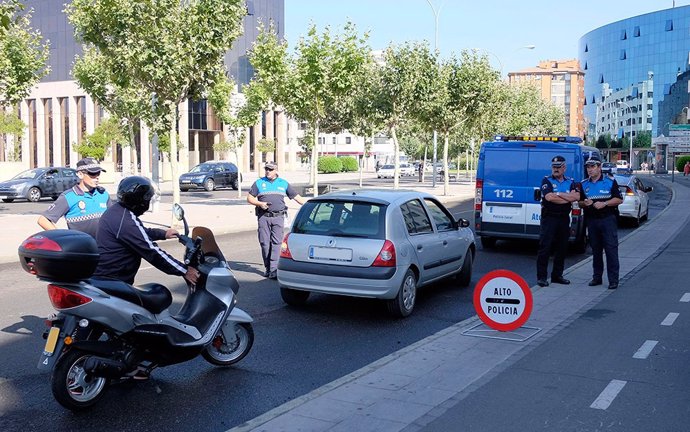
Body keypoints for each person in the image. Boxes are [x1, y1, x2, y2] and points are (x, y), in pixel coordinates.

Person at [92, 175, 199, 286]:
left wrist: (163, 234)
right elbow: (151, 251)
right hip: (114, 283)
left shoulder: (117, 212)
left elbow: (139, 233)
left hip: (106, 279)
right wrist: (184, 270)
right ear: (140, 200)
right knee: (160, 296)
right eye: (147, 198)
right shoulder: (126, 221)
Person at [247, 162, 306, 279]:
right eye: (266, 169)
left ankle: (274, 270)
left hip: (279, 217)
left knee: (277, 243)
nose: (268, 171)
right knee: (264, 243)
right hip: (263, 217)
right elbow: (249, 198)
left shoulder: (283, 183)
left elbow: (297, 197)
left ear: (276, 170)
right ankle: (268, 267)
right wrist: (260, 203)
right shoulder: (259, 183)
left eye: (270, 169)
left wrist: (311, 205)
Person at [578, 153, 623, 290]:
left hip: (607, 219)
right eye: (588, 167)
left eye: (592, 167)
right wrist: (585, 203)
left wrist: (605, 204)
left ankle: (613, 280)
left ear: (599, 167)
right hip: (592, 220)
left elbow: (619, 199)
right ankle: (597, 277)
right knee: (596, 251)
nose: (590, 170)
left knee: (611, 250)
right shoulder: (584, 184)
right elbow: (579, 203)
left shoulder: (609, 181)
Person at [38, 157, 111, 239]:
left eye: (98, 173)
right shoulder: (69, 197)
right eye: (92, 174)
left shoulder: (103, 194)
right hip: (82, 249)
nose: (97, 177)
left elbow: (112, 219)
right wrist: (62, 239)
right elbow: (43, 220)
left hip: (105, 247)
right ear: (80, 174)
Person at [536, 156, 581, 287]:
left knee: (562, 247)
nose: (555, 169)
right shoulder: (547, 180)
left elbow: (576, 197)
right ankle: (542, 277)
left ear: (564, 168)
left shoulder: (570, 181)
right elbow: (549, 198)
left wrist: (559, 194)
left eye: (558, 167)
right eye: (553, 167)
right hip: (549, 218)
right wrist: (566, 197)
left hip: (563, 218)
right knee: (545, 247)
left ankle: (557, 275)